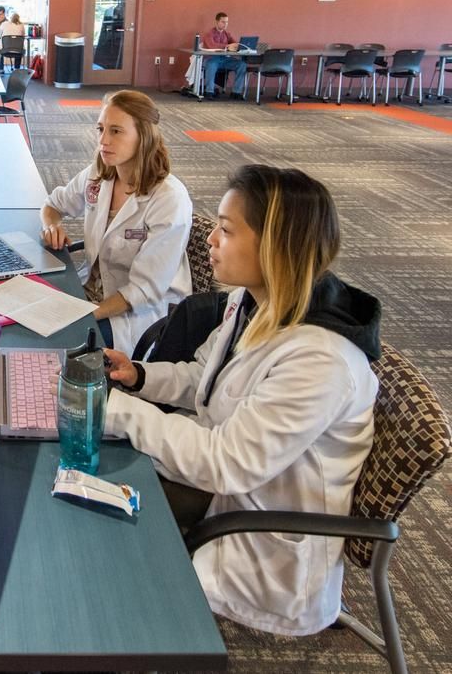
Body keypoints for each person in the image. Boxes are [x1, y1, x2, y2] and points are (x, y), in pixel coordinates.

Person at [103, 164, 381, 636]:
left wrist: (115, 409)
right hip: (223, 493)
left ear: (276, 245)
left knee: (97, 532)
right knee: (86, 477)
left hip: (262, 539)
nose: (210, 238)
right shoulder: (253, 302)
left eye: (227, 230)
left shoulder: (320, 362)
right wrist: (139, 377)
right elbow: (204, 379)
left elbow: (227, 463)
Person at [40, 90, 192, 354]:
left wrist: (85, 314)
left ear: (143, 136)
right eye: (100, 129)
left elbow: (143, 291)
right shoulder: (99, 174)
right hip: (90, 292)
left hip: (136, 313)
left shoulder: (169, 199)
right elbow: (53, 204)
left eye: (116, 131)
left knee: (58, 344)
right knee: (32, 316)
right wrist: (51, 225)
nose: (103, 141)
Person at [200, 11, 247, 99]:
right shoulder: (209, 33)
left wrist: (238, 46)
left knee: (242, 65)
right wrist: (227, 46)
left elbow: (236, 44)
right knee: (211, 64)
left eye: (227, 22)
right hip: (211, 59)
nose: (225, 24)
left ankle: (236, 92)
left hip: (225, 59)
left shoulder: (227, 34)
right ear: (217, 22)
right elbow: (211, 46)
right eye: (223, 22)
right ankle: (209, 91)